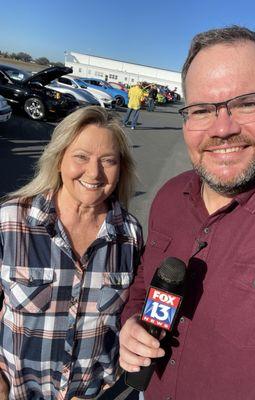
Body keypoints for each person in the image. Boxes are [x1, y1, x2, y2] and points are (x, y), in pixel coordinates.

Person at [119, 26, 255, 400]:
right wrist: (131, 323)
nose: (222, 129)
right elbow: (143, 284)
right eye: (202, 109)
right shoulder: (170, 195)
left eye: (248, 103)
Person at [0, 105, 143, 400]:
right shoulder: (10, 221)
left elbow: (128, 313)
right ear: (59, 158)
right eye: (81, 156)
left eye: (108, 160)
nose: (94, 172)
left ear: (121, 168)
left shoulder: (129, 234)